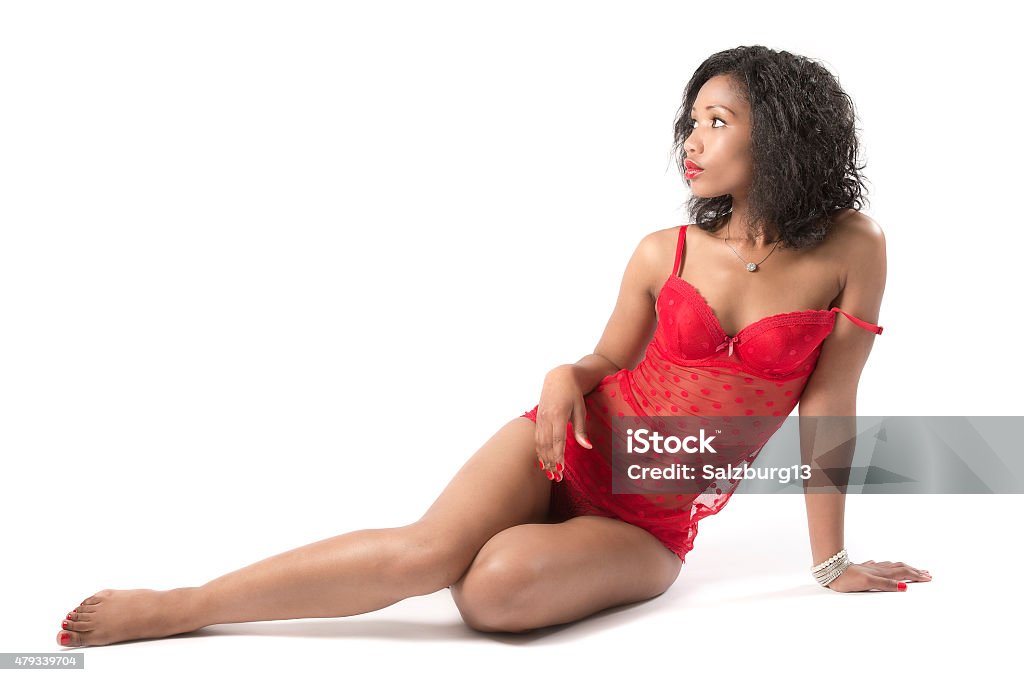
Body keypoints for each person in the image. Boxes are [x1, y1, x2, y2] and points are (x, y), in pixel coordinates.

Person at [56, 45, 931, 648]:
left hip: (650, 518)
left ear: (778, 134)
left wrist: (830, 562)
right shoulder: (661, 250)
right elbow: (603, 363)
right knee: (426, 556)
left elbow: (828, 402)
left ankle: (524, 543)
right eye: (691, 120)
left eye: (716, 120)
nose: (691, 142)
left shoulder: (855, 248)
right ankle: (182, 606)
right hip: (569, 438)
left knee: (490, 594)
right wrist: (561, 377)